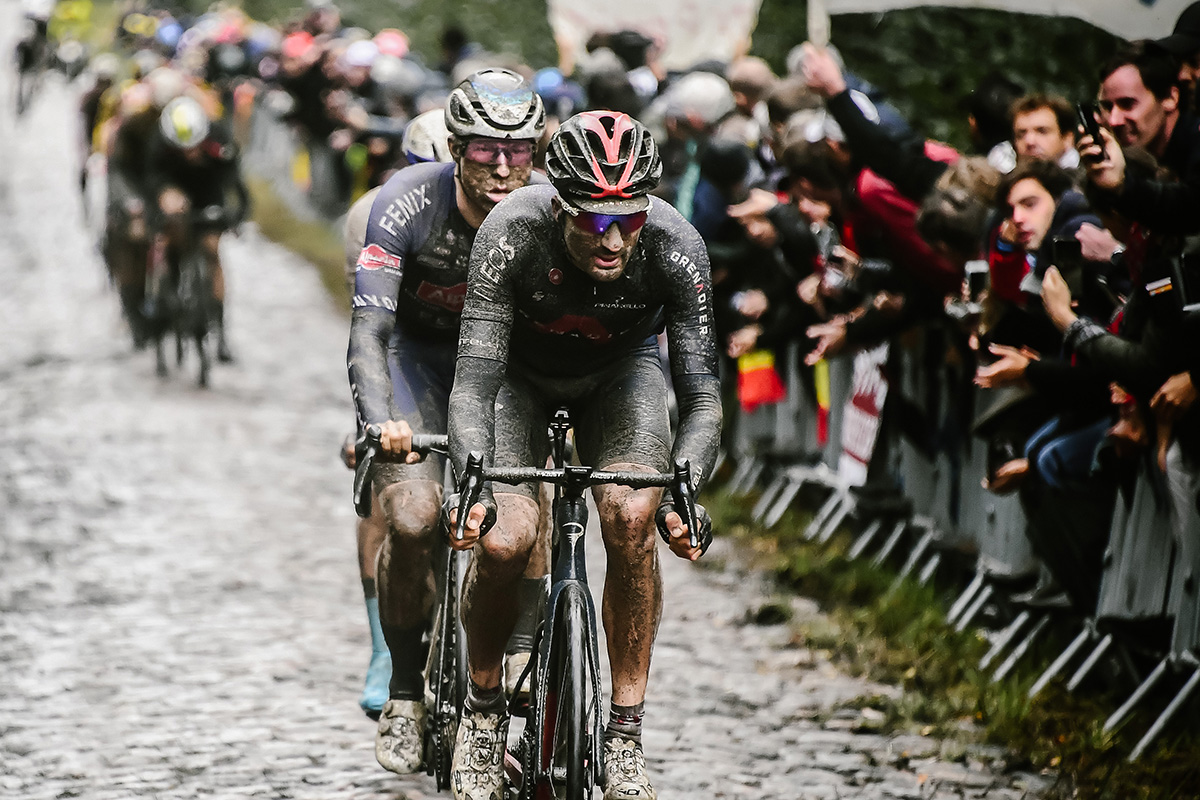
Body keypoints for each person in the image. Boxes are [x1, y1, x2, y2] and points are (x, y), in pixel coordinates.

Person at [445, 110, 722, 800]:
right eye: (593, 219)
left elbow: (703, 397)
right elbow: (474, 383)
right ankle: (481, 715)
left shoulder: (675, 245)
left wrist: (686, 486)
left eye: (628, 218)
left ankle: (624, 735)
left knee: (631, 517)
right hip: (519, 380)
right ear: (559, 204)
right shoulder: (510, 231)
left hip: (620, 378)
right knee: (507, 540)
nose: (612, 237)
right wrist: (471, 481)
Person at [345, 68, 547, 774]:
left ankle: (519, 652)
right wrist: (377, 421)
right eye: (486, 148)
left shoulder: (550, 211)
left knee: (529, 508)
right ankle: (404, 690)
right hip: (419, 362)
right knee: (412, 516)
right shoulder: (405, 203)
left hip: (509, 371)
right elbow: (369, 332)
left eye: (519, 150)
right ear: (456, 149)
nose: (502, 165)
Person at [143, 95, 248, 363]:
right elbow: (152, 178)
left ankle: (221, 331)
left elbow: (235, 182)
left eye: (194, 148)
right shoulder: (159, 142)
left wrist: (236, 216)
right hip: (176, 191)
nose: (190, 153)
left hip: (208, 193)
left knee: (212, 250)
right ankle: (164, 291)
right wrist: (165, 194)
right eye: (183, 150)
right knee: (169, 239)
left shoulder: (219, 139)